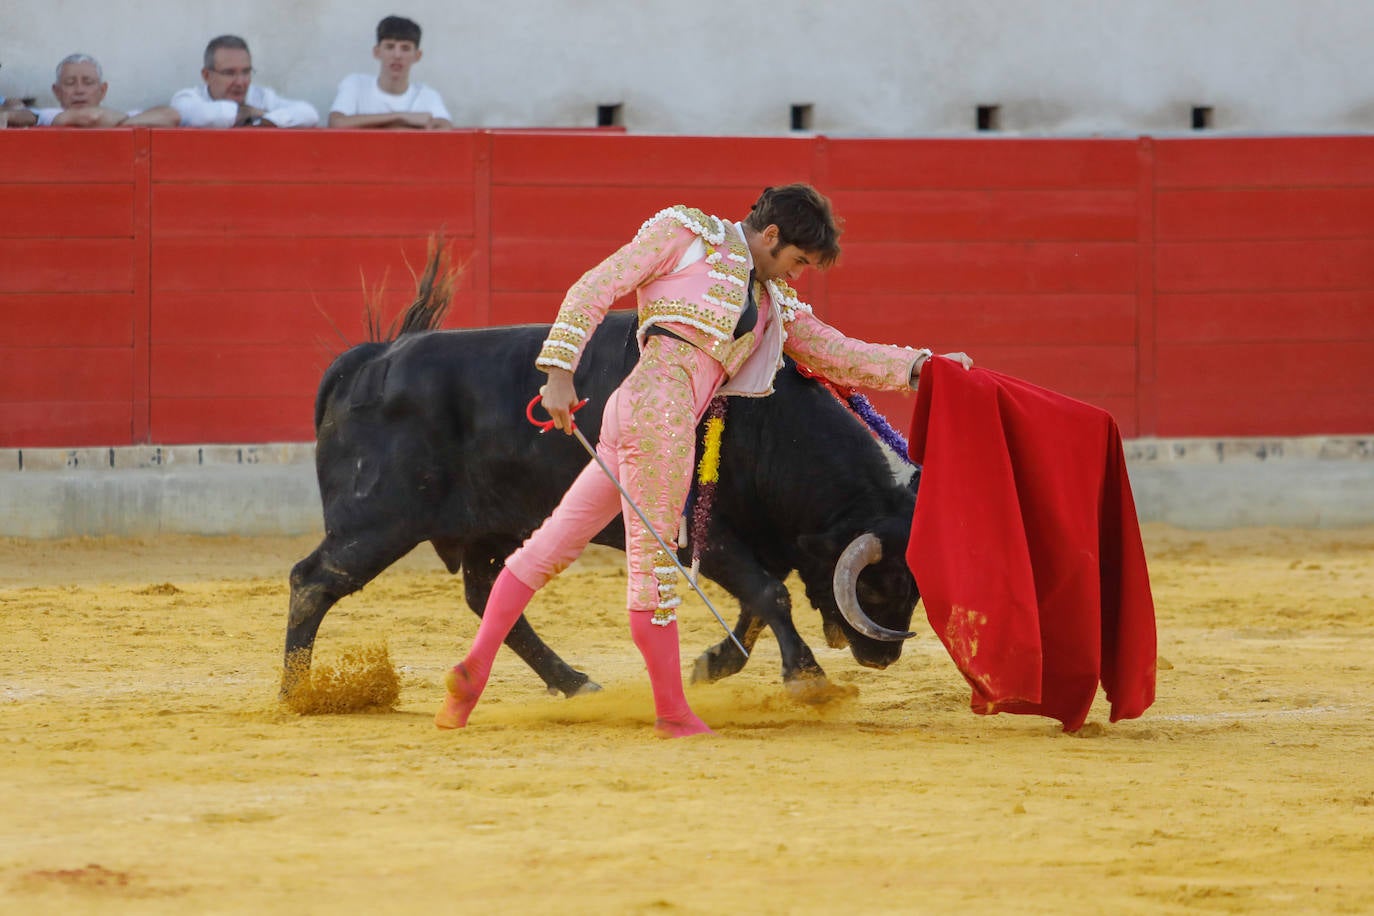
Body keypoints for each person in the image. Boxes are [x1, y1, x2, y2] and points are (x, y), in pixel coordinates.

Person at [434, 183, 973, 738]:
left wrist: (922, 367)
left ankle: (474, 671)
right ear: (770, 236)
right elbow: (595, 286)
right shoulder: (685, 234)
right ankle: (672, 713)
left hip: (635, 412)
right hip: (662, 422)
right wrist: (558, 372)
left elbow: (838, 352)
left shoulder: (770, 301)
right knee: (653, 573)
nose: (797, 275)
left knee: (552, 543)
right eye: (797, 261)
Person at [328, 16, 452, 130]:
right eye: (390, 47)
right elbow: (336, 123)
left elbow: (445, 128)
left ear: (417, 56)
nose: (397, 55)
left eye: (405, 48)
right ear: (377, 52)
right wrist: (400, 117)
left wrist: (372, 125)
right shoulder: (356, 84)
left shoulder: (427, 96)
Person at [170, 35, 319, 128]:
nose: (240, 82)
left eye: (246, 72)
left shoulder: (261, 96)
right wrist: (250, 113)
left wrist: (263, 121)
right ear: (206, 76)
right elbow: (204, 116)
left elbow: (309, 113)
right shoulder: (187, 98)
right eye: (229, 73)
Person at [4, 54, 179, 128]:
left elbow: (170, 115)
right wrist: (125, 125)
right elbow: (90, 117)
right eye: (70, 83)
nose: (79, 90)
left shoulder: (123, 115)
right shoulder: (47, 115)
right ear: (56, 91)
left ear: (102, 90)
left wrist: (118, 123)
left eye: (88, 83)